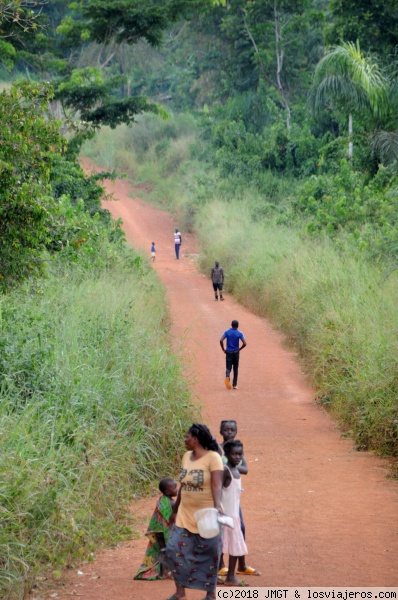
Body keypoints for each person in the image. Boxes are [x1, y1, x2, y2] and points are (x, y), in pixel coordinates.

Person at [164, 424, 224, 600]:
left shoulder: (213, 458)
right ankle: (180, 591)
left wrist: (216, 508)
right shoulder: (186, 457)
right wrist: (175, 509)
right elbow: (184, 485)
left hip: (207, 514)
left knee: (210, 552)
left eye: (186, 437)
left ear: (195, 439)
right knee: (173, 549)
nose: (184, 440)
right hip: (185, 513)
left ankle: (210, 593)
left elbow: (217, 484)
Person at [218, 421, 259, 578]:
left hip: (233, 499)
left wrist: (230, 464)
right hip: (223, 497)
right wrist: (229, 465)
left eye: (232, 429)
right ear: (221, 431)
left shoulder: (237, 450)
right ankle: (221, 565)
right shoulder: (218, 450)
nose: (229, 432)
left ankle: (241, 565)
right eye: (226, 429)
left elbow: (245, 469)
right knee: (221, 532)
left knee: (239, 528)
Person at [134, 477, 178, 580]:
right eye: (174, 487)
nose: (177, 489)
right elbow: (175, 518)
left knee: (163, 550)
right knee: (171, 550)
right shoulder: (172, 503)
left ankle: (164, 572)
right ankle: (169, 572)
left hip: (157, 530)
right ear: (167, 491)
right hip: (164, 531)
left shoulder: (161, 500)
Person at [221, 440, 248, 585]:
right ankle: (226, 576)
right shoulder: (225, 470)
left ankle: (230, 576)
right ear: (226, 454)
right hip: (225, 515)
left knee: (234, 546)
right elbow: (217, 490)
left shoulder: (237, 471)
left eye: (240, 454)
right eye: (234, 454)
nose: (238, 457)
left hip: (234, 516)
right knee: (220, 546)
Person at [220, 320, 246, 390]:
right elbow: (245, 343)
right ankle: (234, 384)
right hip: (236, 352)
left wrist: (223, 349)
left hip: (228, 352)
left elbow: (221, 340)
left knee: (228, 367)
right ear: (237, 326)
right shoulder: (240, 333)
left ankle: (227, 376)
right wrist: (239, 349)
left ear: (231, 325)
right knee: (236, 368)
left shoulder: (227, 332)